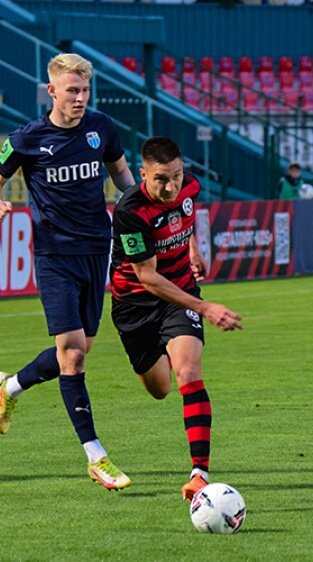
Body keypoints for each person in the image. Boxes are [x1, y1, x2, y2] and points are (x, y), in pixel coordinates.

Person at [0, 53, 136, 490]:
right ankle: (96, 457)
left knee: (79, 349)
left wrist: (144, 210)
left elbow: (122, 177)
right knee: (72, 355)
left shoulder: (101, 128)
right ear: (51, 91)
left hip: (97, 250)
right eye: (72, 90)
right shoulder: (26, 139)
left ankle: (11, 387)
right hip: (54, 256)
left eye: (85, 90)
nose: (80, 98)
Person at [110, 136, 243, 501]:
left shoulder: (189, 186)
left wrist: (193, 248)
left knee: (189, 372)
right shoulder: (130, 212)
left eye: (176, 176)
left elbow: (184, 215)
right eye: (161, 179)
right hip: (135, 305)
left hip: (180, 293)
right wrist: (206, 308)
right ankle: (166, 346)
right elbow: (148, 278)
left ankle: (199, 474)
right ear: (142, 174)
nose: (171, 187)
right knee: (160, 389)